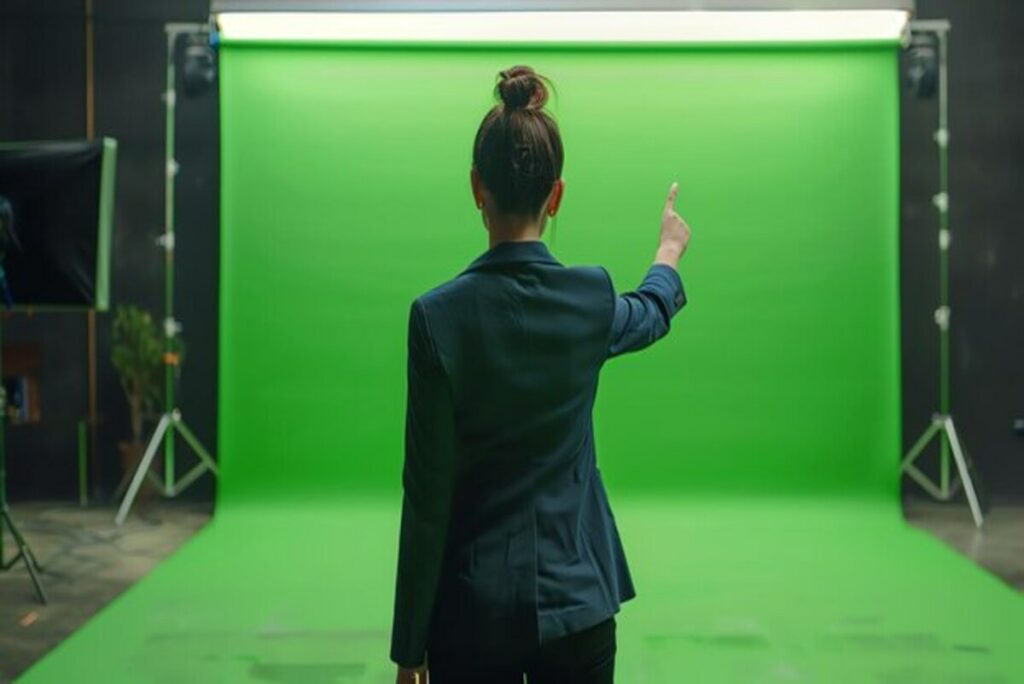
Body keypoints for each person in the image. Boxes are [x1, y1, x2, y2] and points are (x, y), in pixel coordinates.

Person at [390, 65, 691, 684]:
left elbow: (426, 498)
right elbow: (651, 312)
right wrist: (668, 252)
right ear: (556, 196)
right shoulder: (590, 299)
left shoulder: (435, 318)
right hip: (580, 605)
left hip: (471, 617)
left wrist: (409, 647)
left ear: (477, 187)